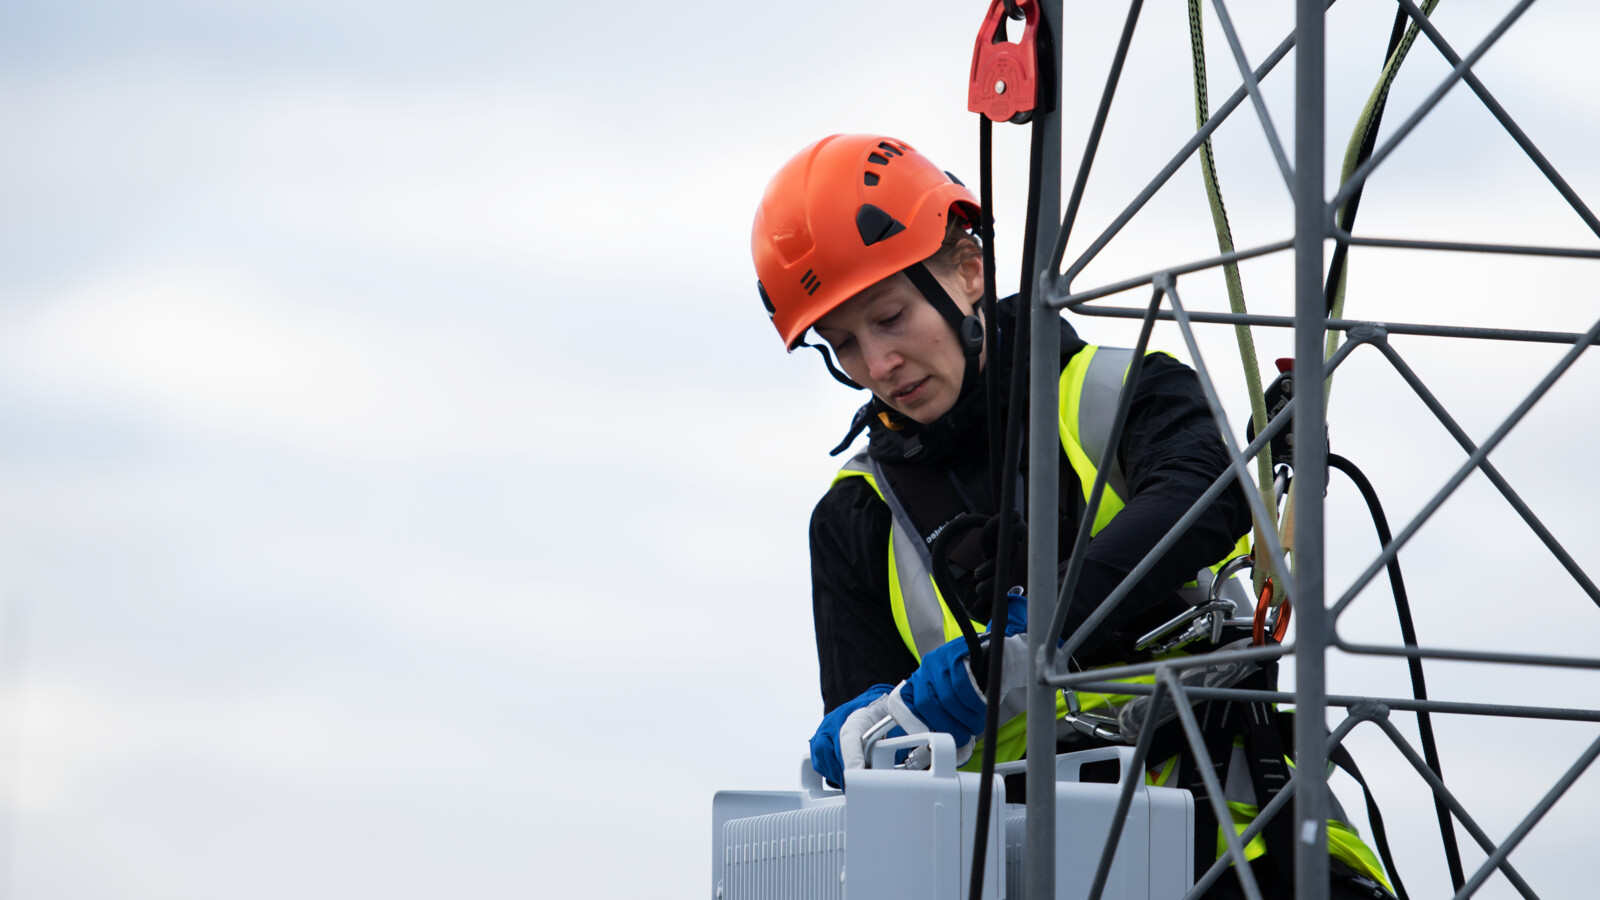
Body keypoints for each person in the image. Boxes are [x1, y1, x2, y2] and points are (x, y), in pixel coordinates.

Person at [749, 133, 1395, 900]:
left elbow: (1207, 495)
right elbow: (882, 760)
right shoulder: (856, 514)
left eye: (889, 317)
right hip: (1018, 870)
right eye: (843, 345)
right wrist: (858, 734)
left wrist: (1036, 630)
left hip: (1234, 836)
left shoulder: (1117, 391)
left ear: (968, 270)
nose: (877, 365)